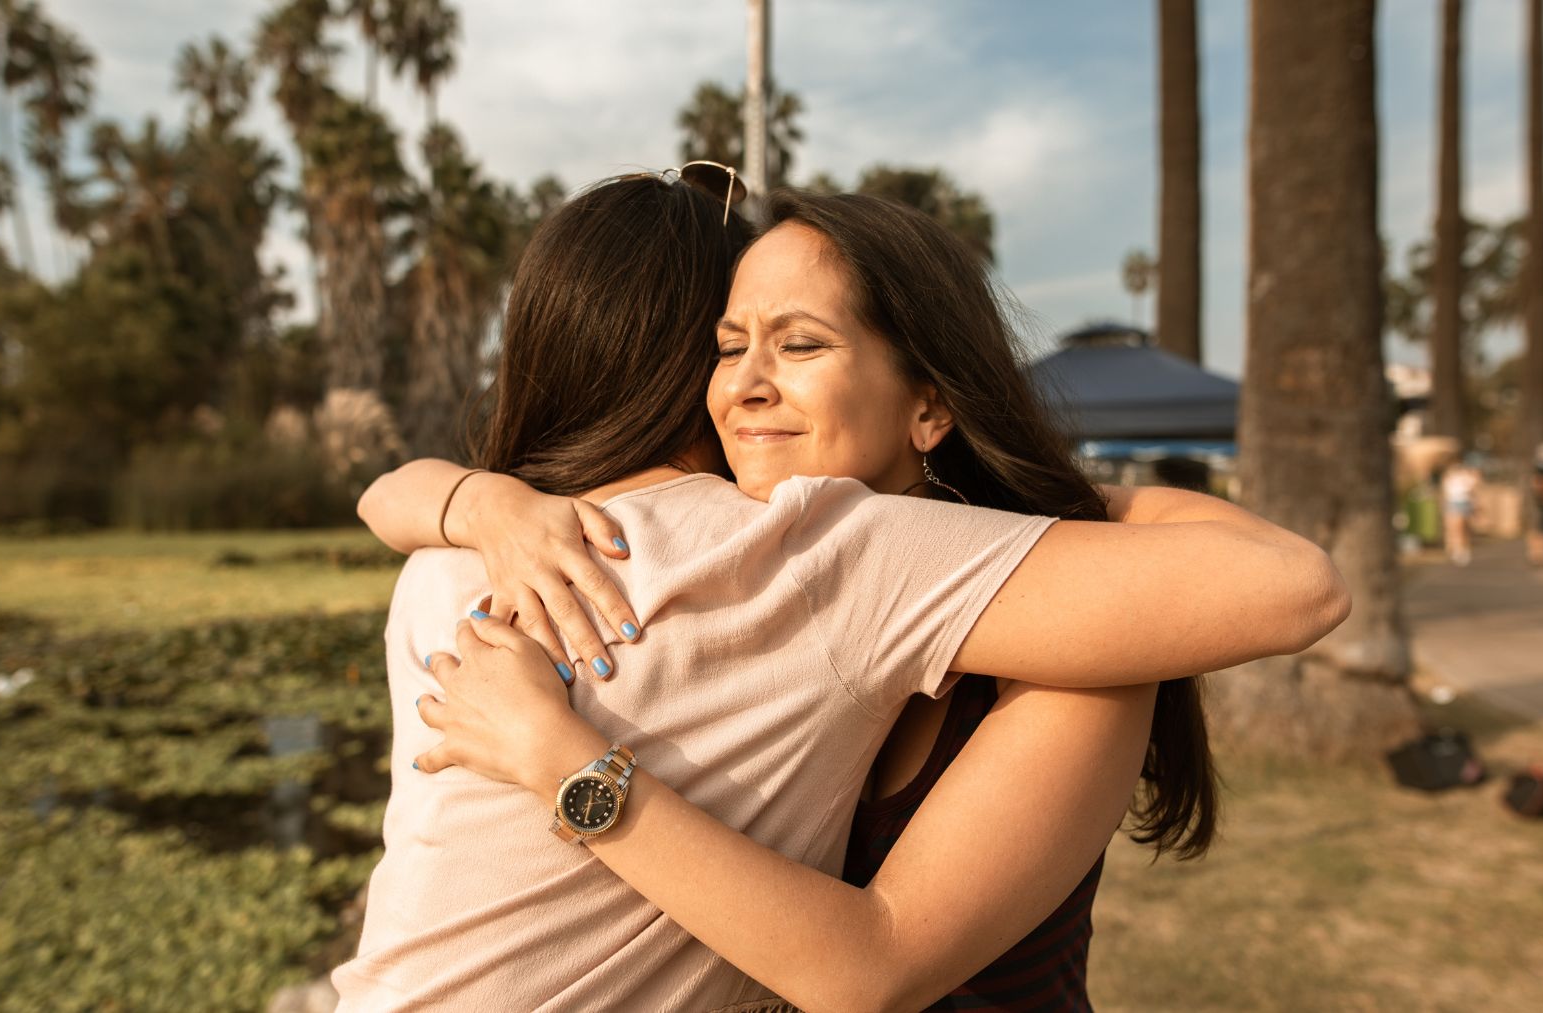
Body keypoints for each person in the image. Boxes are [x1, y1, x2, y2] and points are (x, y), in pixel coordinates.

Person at [334, 179, 1349, 1011]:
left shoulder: (955, 608)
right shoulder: (770, 574)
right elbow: (390, 495)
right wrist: (483, 503)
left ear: (929, 402)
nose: (744, 386)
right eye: (728, 347)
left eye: (801, 343)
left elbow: (1296, 586)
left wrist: (566, 765)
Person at [1439, 458, 1478, 566]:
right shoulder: (1449, 478)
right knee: (1454, 528)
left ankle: (1462, 550)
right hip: (1453, 503)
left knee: (1463, 528)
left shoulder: (1465, 477)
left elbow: (1473, 488)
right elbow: (1446, 493)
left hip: (1463, 503)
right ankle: (1457, 549)